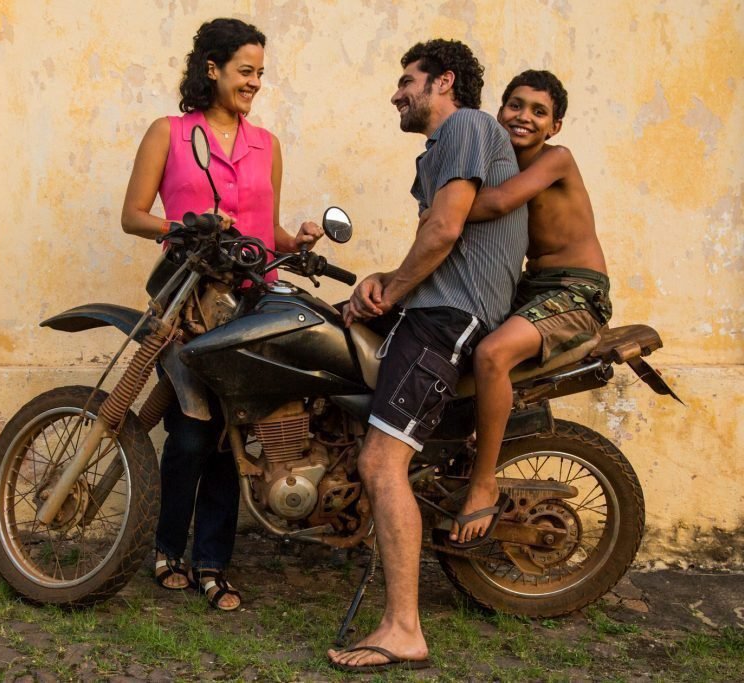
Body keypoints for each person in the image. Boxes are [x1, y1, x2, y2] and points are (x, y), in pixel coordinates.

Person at [328, 39, 527, 671]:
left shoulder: (467, 125)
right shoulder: (437, 153)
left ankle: (403, 629)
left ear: (443, 82)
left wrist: (393, 290)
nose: (396, 93)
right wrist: (381, 283)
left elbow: (443, 232)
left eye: (406, 81)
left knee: (382, 462)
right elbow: (441, 242)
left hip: (448, 318)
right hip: (435, 307)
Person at [120, 18, 322, 611]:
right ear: (212, 68)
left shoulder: (267, 145)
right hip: (191, 303)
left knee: (236, 435)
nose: (255, 82)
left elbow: (265, 230)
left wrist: (299, 242)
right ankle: (166, 549)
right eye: (245, 71)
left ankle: (212, 562)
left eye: (260, 73)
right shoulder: (170, 133)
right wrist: (188, 227)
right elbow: (133, 215)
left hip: (255, 304)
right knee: (189, 434)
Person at [448, 70, 611, 546]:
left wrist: (440, 209)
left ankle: (483, 484)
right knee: (448, 335)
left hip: (577, 291)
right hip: (529, 289)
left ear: (554, 126)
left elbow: (496, 205)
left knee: (492, 355)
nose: (524, 117)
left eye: (538, 111)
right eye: (515, 105)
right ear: (500, 111)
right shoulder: (499, 160)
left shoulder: (556, 159)